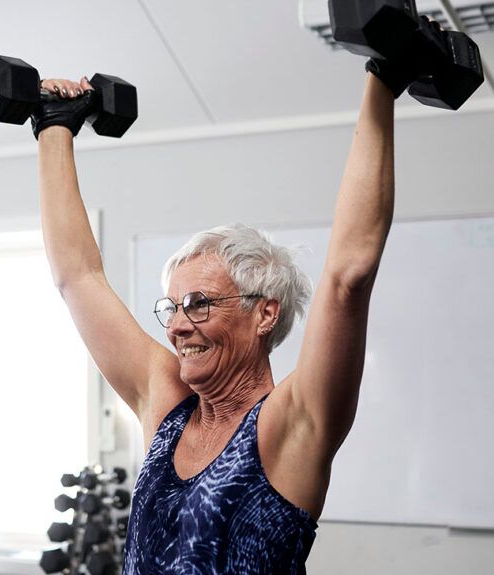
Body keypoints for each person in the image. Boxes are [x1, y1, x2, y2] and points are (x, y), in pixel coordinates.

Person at [34, 64, 395, 573]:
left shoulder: (290, 424)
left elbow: (348, 275)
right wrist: (54, 126)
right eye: (172, 307)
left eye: (199, 303)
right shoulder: (168, 405)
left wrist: (382, 77)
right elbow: (79, 278)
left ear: (264, 312)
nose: (177, 326)